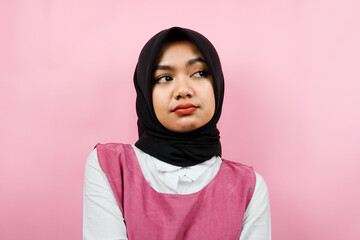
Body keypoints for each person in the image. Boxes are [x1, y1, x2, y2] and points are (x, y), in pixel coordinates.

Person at [83, 27, 271, 240]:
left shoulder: (249, 187)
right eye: (164, 77)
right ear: (145, 91)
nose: (183, 90)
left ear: (217, 83)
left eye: (199, 73)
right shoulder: (110, 167)